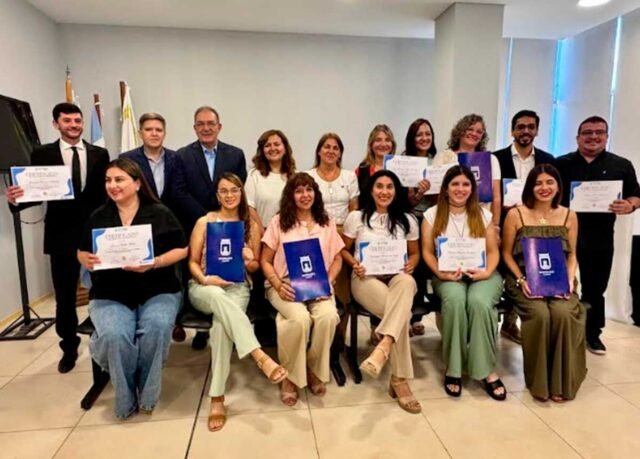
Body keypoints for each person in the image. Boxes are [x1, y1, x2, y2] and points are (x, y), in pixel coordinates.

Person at [77, 159, 187, 419]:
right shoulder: (98, 216)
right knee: (115, 336)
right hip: (110, 291)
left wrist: (155, 262)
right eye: (108, 180)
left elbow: (182, 249)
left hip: (158, 288)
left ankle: (147, 397)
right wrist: (84, 259)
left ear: (137, 183)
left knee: (157, 328)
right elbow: (81, 250)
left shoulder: (160, 213)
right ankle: (125, 399)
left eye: (119, 179)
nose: (112, 185)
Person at [5, 102, 109, 373]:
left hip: (95, 235)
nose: (73, 125)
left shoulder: (100, 153)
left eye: (77, 121)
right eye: (67, 121)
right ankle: (69, 347)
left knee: (104, 291)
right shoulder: (42, 153)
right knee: (64, 297)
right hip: (61, 235)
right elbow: (35, 192)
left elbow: (104, 194)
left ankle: (105, 340)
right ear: (56, 124)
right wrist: (16, 199)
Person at [188, 173, 287, 431]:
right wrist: (205, 279)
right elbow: (192, 262)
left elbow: (254, 267)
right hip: (204, 287)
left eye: (234, 190)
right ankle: (258, 354)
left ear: (241, 193)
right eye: (224, 191)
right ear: (217, 195)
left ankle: (217, 397)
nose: (229, 195)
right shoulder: (205, 222)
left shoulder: (250, 225)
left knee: (221, 327)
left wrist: (249, 258)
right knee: (215, 295)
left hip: (237, 287)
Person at [556, 116, 640, 355]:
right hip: (562, 235)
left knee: (595, 288)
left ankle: (592, 334)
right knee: (560, 284)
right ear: (578, 137)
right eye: (587, 132)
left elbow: (636, 195)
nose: (593, 137)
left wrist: (630, 205)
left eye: (599, 132)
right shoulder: (561, 163)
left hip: (599, 237)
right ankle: (562, 331)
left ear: (606, 136)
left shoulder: (621, 165)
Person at [501, 164, 586, 402]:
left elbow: (572, 254)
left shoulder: (569, 216)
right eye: (538, 183)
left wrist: (569, 280)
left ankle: (560, 382)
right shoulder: (515, 215)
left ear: (558, 186)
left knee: (563, 314)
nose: (544, 187)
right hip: (523, 279)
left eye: (550, 182)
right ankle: (539, 382)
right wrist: (521, 280)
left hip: (560, 280)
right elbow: (506, 254)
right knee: (540, 314)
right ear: (530, 187)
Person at [421, 165, 506, 400]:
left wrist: (486, 273)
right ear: (446, 188)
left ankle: (486, 369)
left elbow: (493, 251)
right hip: (447, 274)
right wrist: (441, 273)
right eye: (455, 184)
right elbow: (427, 251)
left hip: (483, 273)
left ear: (472, 188)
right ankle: (454, 368)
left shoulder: (483, 214)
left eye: (466, 184)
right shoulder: (431, 215)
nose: (460, 189)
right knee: (456, 300)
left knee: (479, 302)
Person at [342, 170, 422, 414]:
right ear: (371, 190)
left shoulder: (408, 219)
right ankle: (400, 380)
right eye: (379, 186)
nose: (384, 191)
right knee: (402, 315)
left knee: (407, 282)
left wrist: (411, 264)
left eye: (389, 187)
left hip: (396, 276)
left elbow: (415, 253)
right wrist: (354, 263)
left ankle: (384, 346)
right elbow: (343, 250)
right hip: (365, 278)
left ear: (396, 191)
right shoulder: (356, 217)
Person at [261, 172, 343, 406]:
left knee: (328, 317)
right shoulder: (279, 222)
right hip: (285, 283)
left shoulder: (326, 222)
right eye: (298, 191)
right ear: (291, 195)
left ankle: (314, 368)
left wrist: (329, 280)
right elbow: (265, 260)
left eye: (309, 189)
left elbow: (337, 258)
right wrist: (277, 284)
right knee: (298, 319)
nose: (305, 195)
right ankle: (289, 377)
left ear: (315, 193)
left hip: (318, 284)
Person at [172, 106, 247, 349]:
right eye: (201, 124)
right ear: (195, 128)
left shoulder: (235, 154)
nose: (206, 128)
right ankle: (202, 331)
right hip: (196, 225)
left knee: (227, 271)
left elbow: (238, 188)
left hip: (230, 225)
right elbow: (179, 192)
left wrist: (225, 215)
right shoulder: (182, 156)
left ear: (219, 126)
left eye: (210, 123)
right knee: (200, 274)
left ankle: (222, 324)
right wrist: (208, 219)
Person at [493, 110, 555, 345]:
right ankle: (495, 319)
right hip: (503, 223)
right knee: (502, 271)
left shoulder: (548, 160)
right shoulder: (496, 158)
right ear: (512, 130)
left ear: (537, 130)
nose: (525, 131)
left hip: (535, 227)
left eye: (530, 126)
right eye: (520, 127)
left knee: (527, 269)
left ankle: (510, 323)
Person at [307, 132, 359, 305]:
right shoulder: (309, 176)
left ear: (340, 153)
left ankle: (341, 318)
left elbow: (354, 207)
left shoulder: (349, 176)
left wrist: (349, 233)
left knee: (342, 276)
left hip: (345, 232)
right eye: (327, 147)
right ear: (319, 151)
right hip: (317, 231)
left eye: (335, 148)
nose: (331, 151)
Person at [403, 118, 439, 337]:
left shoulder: (438, 163)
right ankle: (408, 316)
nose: (424, 138)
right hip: (409, 219)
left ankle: (418, 316)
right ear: (412, 138)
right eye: (419, 134)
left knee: (428, 266)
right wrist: (415, 195)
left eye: (428, 134)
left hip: (433, 220)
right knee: (412, 268)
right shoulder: (403, 163)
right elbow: (400, 202)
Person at [433, 114, 502, 226]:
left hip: (482, 219)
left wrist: (496, 225)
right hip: (449, 218)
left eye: (479, 132)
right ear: (460, 131)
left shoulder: (491, 160)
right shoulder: (442, 157)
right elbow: (436, 194)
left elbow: (496, 196)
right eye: (470, 129)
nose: (474, 134)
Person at [120, 112, 178, 207]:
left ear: (164, 134)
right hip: (141, 214)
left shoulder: (176, 158)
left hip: (172, 214)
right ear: (140, 134)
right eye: (148, 130)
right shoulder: (127, 159)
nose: (154, 134)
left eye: (159, 130)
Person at [246, 129, 296, 230]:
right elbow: (249, 207)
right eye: (267, 145)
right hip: (262, 231)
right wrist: (264, 233)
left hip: (290, 232)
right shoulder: (254, 175)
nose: (272, 148)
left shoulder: (295, 176)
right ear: (262, 151)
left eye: (277, 144)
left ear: (285, 148)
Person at [356, 124, 399, 210]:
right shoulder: (362, 169)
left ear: (392, 144)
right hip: (367, 215)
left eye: (387, 140)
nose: (383, 144)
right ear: (371, 144)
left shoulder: (400, 168)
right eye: (378, 140)